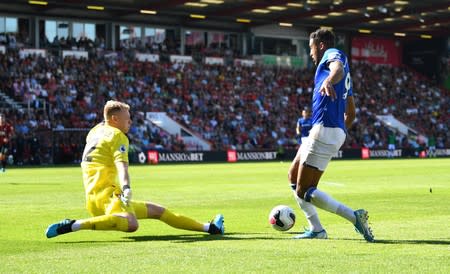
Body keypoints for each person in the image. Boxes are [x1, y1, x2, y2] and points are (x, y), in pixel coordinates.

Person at [46, 100, 224, 238]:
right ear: (115, 120)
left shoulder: (95, 131)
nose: (130, 121)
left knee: (158, 210)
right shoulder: (118, 136)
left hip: (94, 199)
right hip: (108, 197)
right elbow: (121, 166)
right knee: (132, 224)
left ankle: (210, 228)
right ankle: (74, 225)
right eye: (127, 118)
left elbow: (105, 120)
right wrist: (126, 187)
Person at [287, 28, 374, 242]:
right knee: (292, 176)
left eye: (311, 47)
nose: (310, 53)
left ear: (321, 45)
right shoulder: (345, 78)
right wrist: (338, 132)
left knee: (304, 190)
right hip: (330, 130)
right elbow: (351, 113)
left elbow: (337, 68)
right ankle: (316, 228)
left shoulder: (332, 55)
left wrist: (328, 81)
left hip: (324, 129)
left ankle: (354, 217)